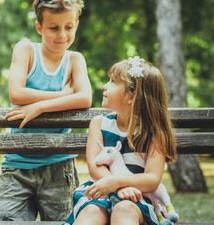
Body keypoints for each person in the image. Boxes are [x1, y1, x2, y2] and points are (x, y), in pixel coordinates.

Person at [0, 0, 92, 221]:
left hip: (59, 165)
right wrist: (64, 96)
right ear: (39, 27)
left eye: (68, 27)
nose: (62, 35)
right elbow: (17, 94)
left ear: (76, 26)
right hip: (18, 164)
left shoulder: (75, 60)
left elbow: (85, 98)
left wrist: (39, 106)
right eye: (53, 28)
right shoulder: (26, 50)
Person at [64, 56, 177, 225]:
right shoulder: (99, 124)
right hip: (101, 191)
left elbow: (153, 179)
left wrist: (117, 182)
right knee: (91, 212)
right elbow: (95, 166)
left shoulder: (154, 134)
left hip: (137, 197)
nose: (105, 86)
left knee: (124, 209)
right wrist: (116, 186)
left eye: (113, 82)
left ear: (132, 96)